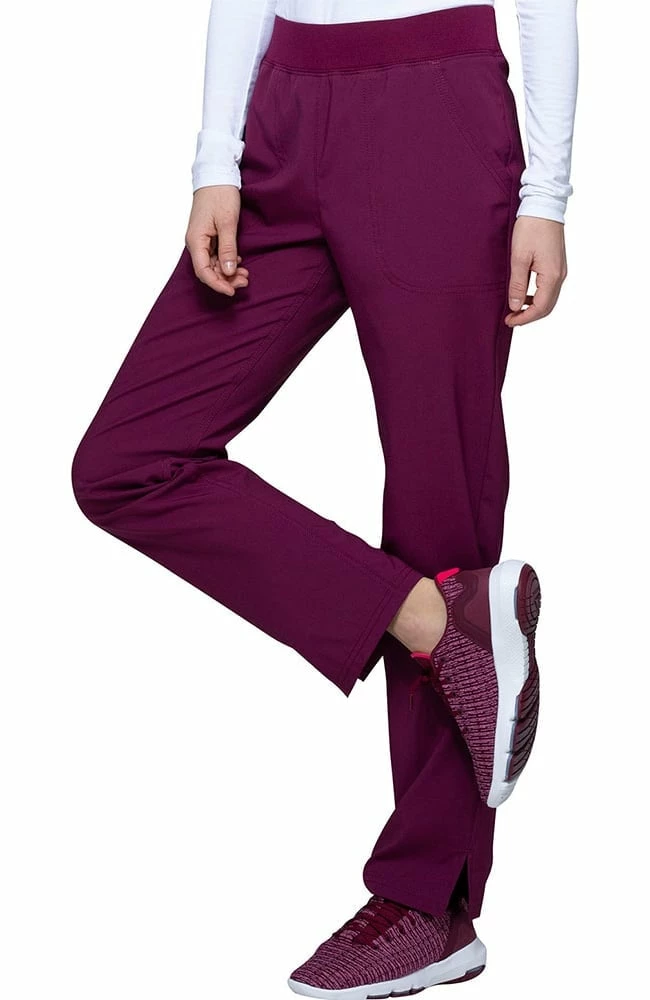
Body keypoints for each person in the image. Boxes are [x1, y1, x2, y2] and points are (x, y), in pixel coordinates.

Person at [71, 1, 578, 996]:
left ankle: (428, 903)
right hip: (284, 118)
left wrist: (547, 191)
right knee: (128, 460)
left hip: (435, 107)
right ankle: (436, 618)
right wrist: (216, 159)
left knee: (440, 507)